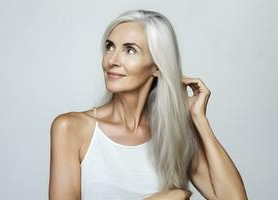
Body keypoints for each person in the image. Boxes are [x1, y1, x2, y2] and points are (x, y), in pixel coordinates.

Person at [48, 9, 248, 200]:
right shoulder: (71, 128)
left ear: (157, 67)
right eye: (110, 46)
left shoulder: (175, 134)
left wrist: (199, 119)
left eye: (130, 50)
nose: (112, 60)